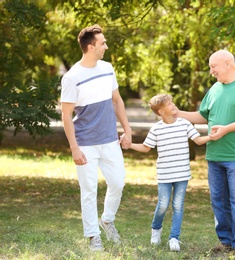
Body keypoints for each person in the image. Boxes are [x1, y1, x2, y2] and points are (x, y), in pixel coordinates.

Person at [176, 50, 235, 257]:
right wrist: (176, 113)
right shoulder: (214, 89)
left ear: (228, 63)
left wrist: (226, 128)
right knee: (218, 201)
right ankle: (225, 241)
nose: (211, 71)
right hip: (215, 155)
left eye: (214, 66)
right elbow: (202, 116)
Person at [60, 24, 132, 251]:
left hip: (110, 139)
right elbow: (66, 114)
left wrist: (127, 130)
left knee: (118, 183)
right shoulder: (72, 77)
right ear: (91, 47)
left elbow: (117, 101)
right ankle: (93, 236)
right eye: (102, 43)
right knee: (89, 190)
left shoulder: (108, 68)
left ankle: (107, 220)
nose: (106, 46)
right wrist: (74, 148)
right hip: (85, 143)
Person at [128, 94, 210, 252]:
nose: (173, 105)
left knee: (178, 206)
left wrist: (213, 137)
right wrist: (130, 144)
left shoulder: (184, 124)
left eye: (172, 102)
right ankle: (155, 230)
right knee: (163, 205)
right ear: (161, 111)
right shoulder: (157, 129)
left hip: (182, 174)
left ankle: (174, 238)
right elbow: (146, 147)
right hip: (165, 175)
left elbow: (198, 140)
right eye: (169, 104)